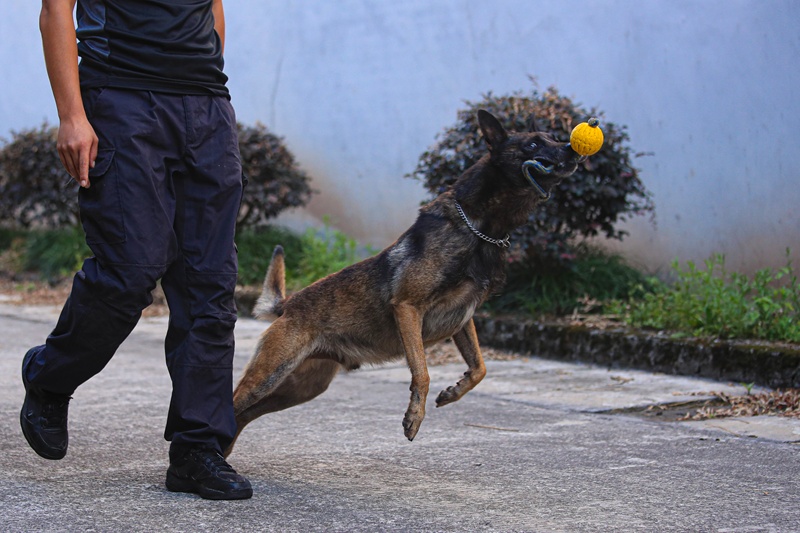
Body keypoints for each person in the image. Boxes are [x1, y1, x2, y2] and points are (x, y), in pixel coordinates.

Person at [21, 0, 252, 500]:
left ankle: (198, 448)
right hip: (122, 98)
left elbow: (212, 7)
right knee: (129, 270)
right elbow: (55, 8)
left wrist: (208, 85)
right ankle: (50, 376)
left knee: (209, 284)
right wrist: (72, 115)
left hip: (207, 107)